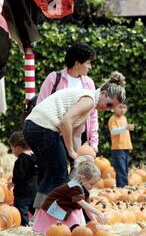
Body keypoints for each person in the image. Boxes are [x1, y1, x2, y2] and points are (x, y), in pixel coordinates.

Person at [23, 71, 126, 220]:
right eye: (108, 104)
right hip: (43, 127)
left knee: (48, 172)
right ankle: (58, 218)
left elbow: (77, 134)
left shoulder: (88, 103)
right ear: (103, 93)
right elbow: (66, 122)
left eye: (111, 108)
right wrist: (71, 151)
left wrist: (79, 158)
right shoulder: (89, 100)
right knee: (60, 176)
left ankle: (38, 218)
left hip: (31, 127)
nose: (107, 108)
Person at [36, 42, 99, 152]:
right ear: (77, 63)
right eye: (88, 63)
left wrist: (93, 142)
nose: (90, 67)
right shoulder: (54, 78)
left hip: (80, 135)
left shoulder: (89, 83)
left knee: (78, 168)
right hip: (55, 135)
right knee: (59, 168)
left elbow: (92, 115)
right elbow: (39, 106)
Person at [32, 159, 106, 234]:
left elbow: (87, 209)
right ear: (82, 178)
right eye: (91, 184)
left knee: (77, 211)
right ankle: (69, 230)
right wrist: (98, 213)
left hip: (66, 207)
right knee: (73, 216)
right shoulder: (74, 187)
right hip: (55, 206)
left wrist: (95, 224)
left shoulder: (85, 190)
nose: (92, 187)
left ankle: (73, 229)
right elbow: (83, 204)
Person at [8, 131, 37, 226]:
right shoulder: (35, 157)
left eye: (12, 148)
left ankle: (25, 225)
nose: (12, 151)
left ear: (18, 147)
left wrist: (12, 182)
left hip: (23, 193)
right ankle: (37, 223)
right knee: (35, 210)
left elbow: (18, 176)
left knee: (21, 210)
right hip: (35, 191)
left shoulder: (21, 159)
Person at [108, 103, 134, 188]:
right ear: (114, 108)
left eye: (124, 107)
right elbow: (113, 131)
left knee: (125, 168)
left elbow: (125, 134)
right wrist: (125, 128)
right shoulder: (113, 119)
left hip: (125, 147)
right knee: (120, 168)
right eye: (120, 107)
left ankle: (125, 185)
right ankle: (121, 186)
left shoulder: (124, 118)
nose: (122, 110)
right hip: (118, 148)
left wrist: (129, 145)